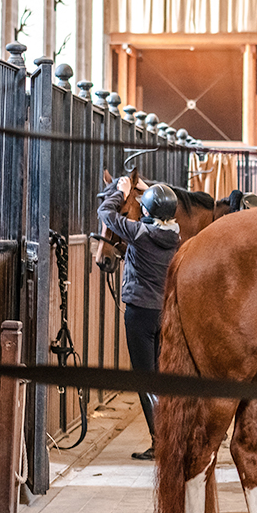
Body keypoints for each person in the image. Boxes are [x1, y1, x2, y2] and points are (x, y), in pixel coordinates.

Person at [98, 176, 182, 460]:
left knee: (146, 380)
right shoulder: (175, 236)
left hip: (140, 314)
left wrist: (121, 194)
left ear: (145, 212)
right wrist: (150, 192)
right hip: (166, 314)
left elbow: (105, 215)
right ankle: (174, 434)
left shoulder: (139, 233)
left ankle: (161, 442)